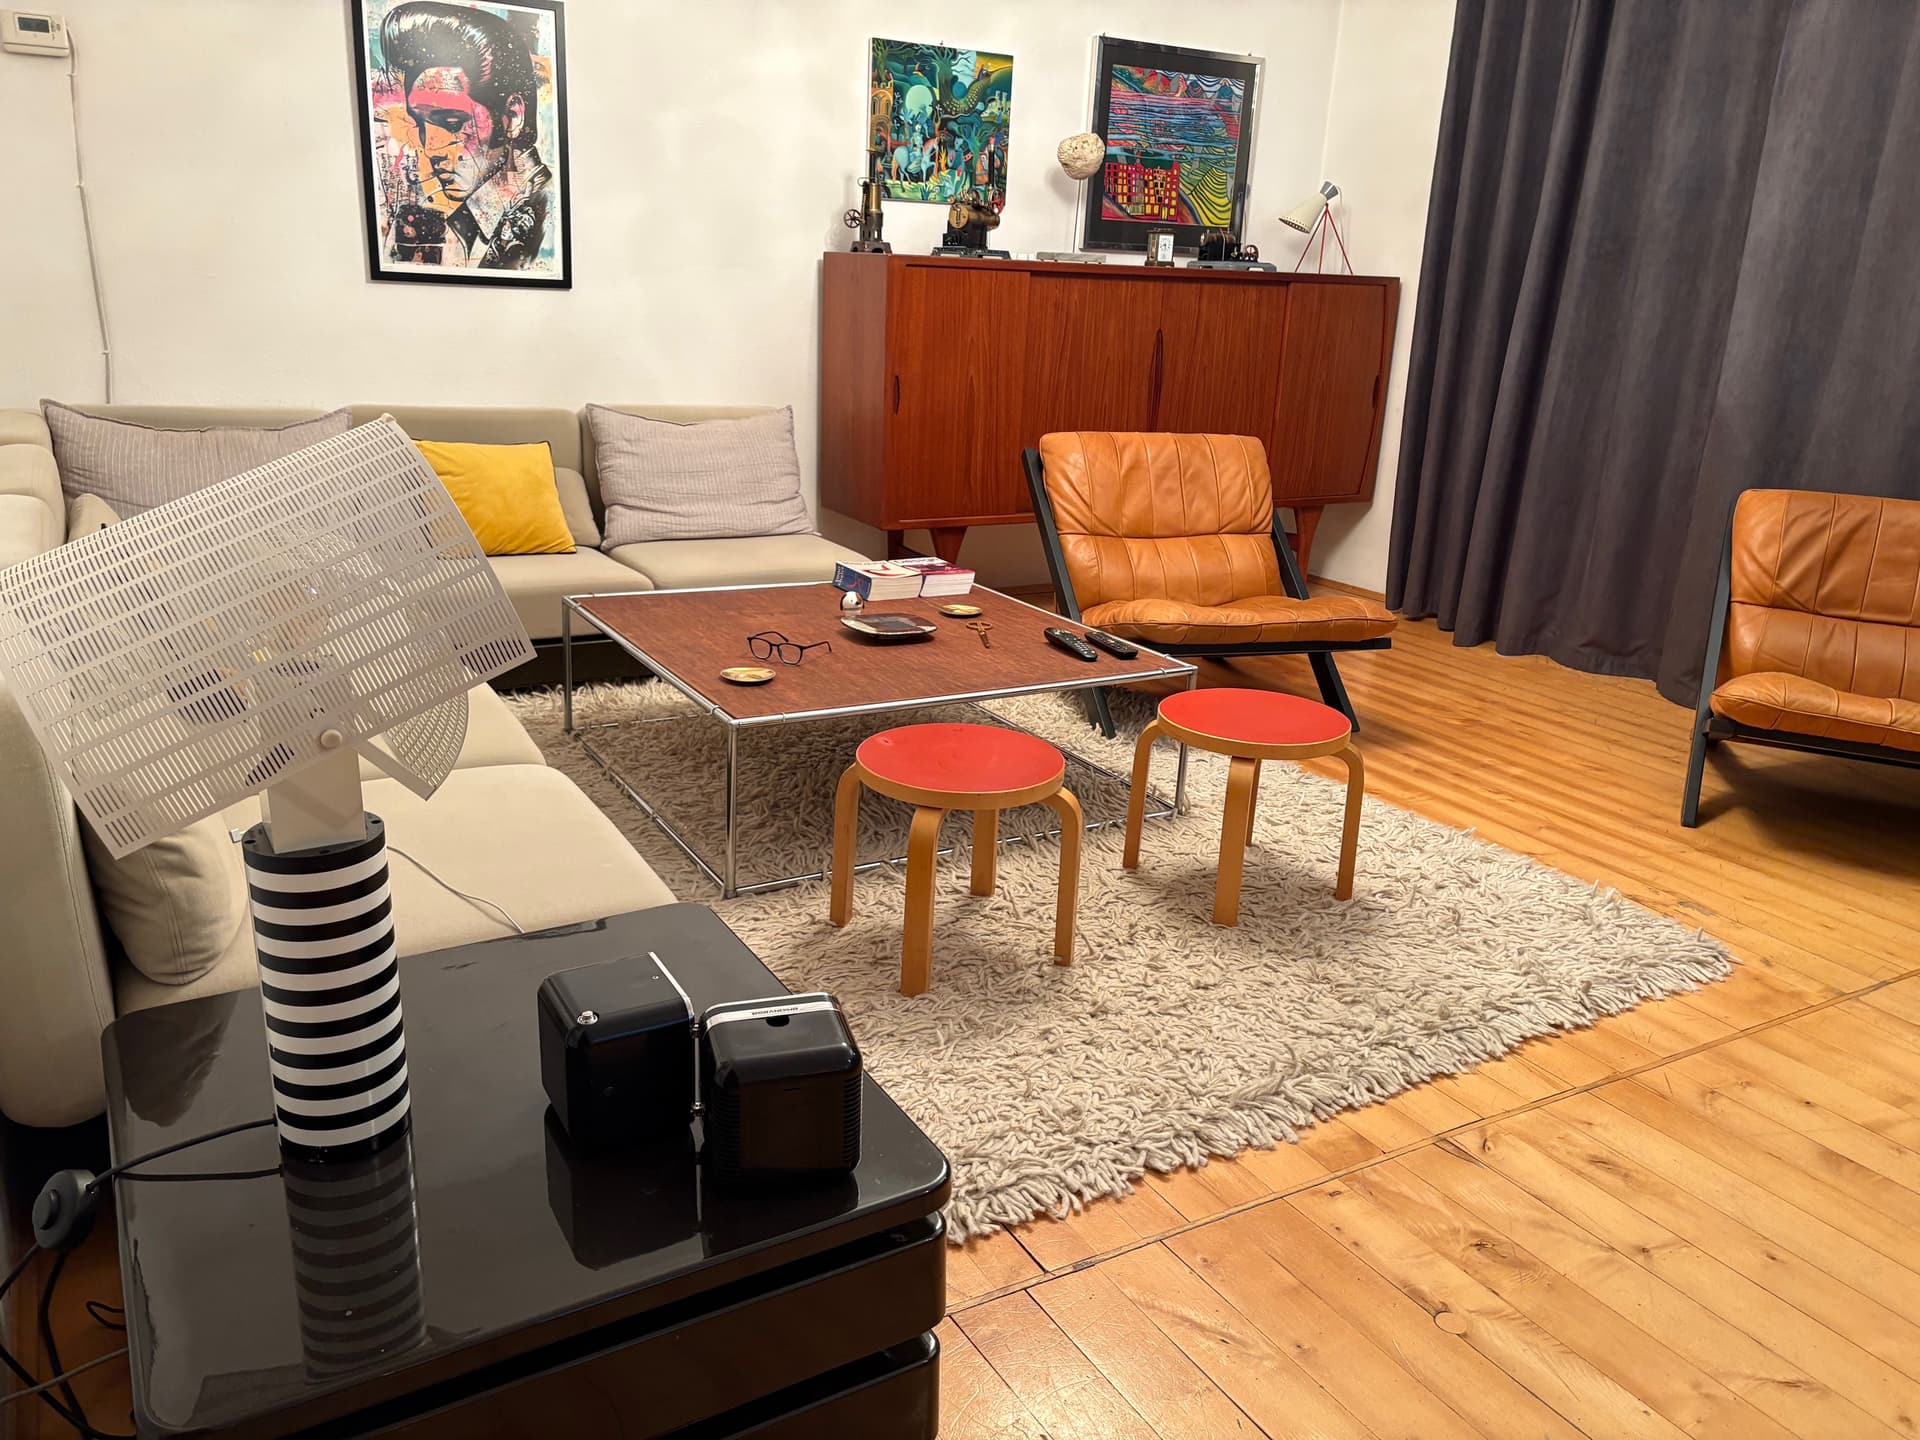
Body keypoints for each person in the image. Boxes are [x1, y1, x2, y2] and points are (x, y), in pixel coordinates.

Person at [376, 1, 553, 270]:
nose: (430, 148)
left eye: (451, 123)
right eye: (421, 126)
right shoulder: (453, 221)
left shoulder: (548, 221)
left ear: (513, 116)